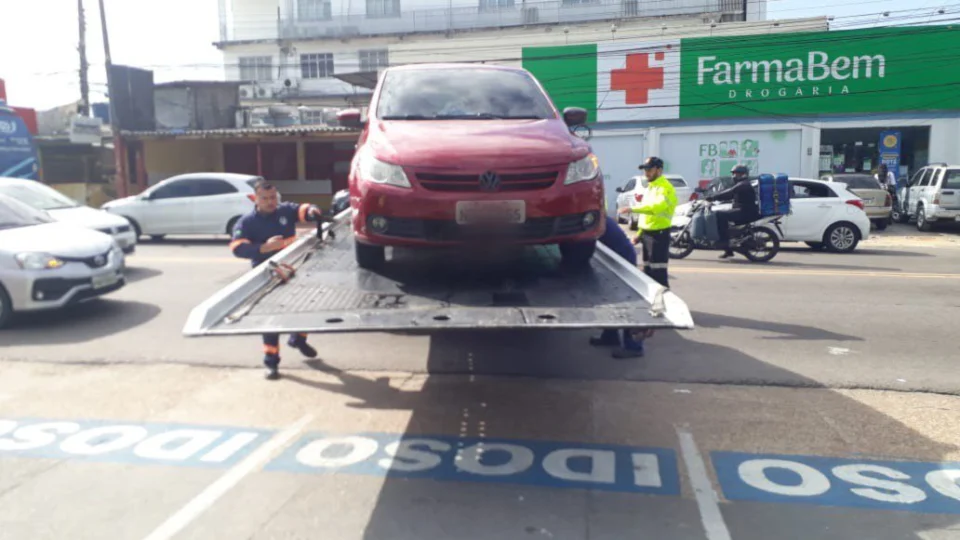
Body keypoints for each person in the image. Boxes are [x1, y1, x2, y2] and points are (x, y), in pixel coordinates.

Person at [229, 179, 333, 380]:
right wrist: (263, 248)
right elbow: (237, 248)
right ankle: (272, 363)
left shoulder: (284, 211)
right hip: (266, 275)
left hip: (293, 268)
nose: (270, 202)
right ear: (255, 199)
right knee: (271, 321)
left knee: (306, 307)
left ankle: (298, 340)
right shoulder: (246, 222)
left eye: (273, 198)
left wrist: (312, 210)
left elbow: (302, 209)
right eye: (265, 198)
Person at [614, 156, 677, 359]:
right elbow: (647, 217)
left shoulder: (664, 188)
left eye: (650, 170)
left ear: (659, 169)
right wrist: (639, 235)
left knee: (658, 274)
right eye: (645, 170)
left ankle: (664, 311)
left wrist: (632, 208)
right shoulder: (650, 187)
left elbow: (657, 209)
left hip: (659, 236)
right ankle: (656, 308)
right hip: (649, 234)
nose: (646, 173)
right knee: (648, 272)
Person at [589, 212, 641, 357]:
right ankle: (610, 336)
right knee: (609, 299)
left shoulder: (592, 220)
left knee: (626, 303)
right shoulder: (596, 217)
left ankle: (634, 346)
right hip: (612, 259)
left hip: (623, 259)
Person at [709, 164, 759, 260]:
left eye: (737, 174)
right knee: (723, 215)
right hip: (743, 210)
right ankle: (728, 249)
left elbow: (730, 192)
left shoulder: (743, 184)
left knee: (720, 215)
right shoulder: (742, 184)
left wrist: (713, 197)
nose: (734, 176)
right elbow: (731, 195)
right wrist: (716, 198)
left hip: (745, 212)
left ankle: (723, 241)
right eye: (734, 174)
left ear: (743, 175)